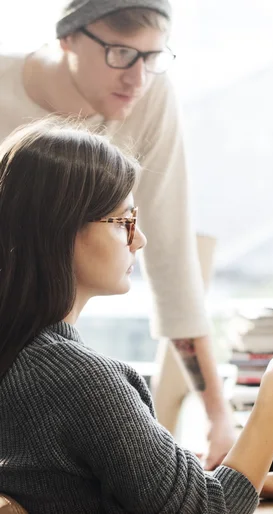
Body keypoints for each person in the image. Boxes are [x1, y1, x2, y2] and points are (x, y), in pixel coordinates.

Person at [0, 118, 273, 513]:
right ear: (61, 231)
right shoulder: (79, 381)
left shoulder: (22, 356)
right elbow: (208, 510)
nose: (140, 239)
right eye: (124, 222)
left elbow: (99, 488)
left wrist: (265, 482)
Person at [0, 0, 236, 469]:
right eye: (121, 53)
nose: (138, 78)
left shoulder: (150, 95)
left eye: (153, 57)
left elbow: (170, 259)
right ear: (67, 37)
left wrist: (218, 418)